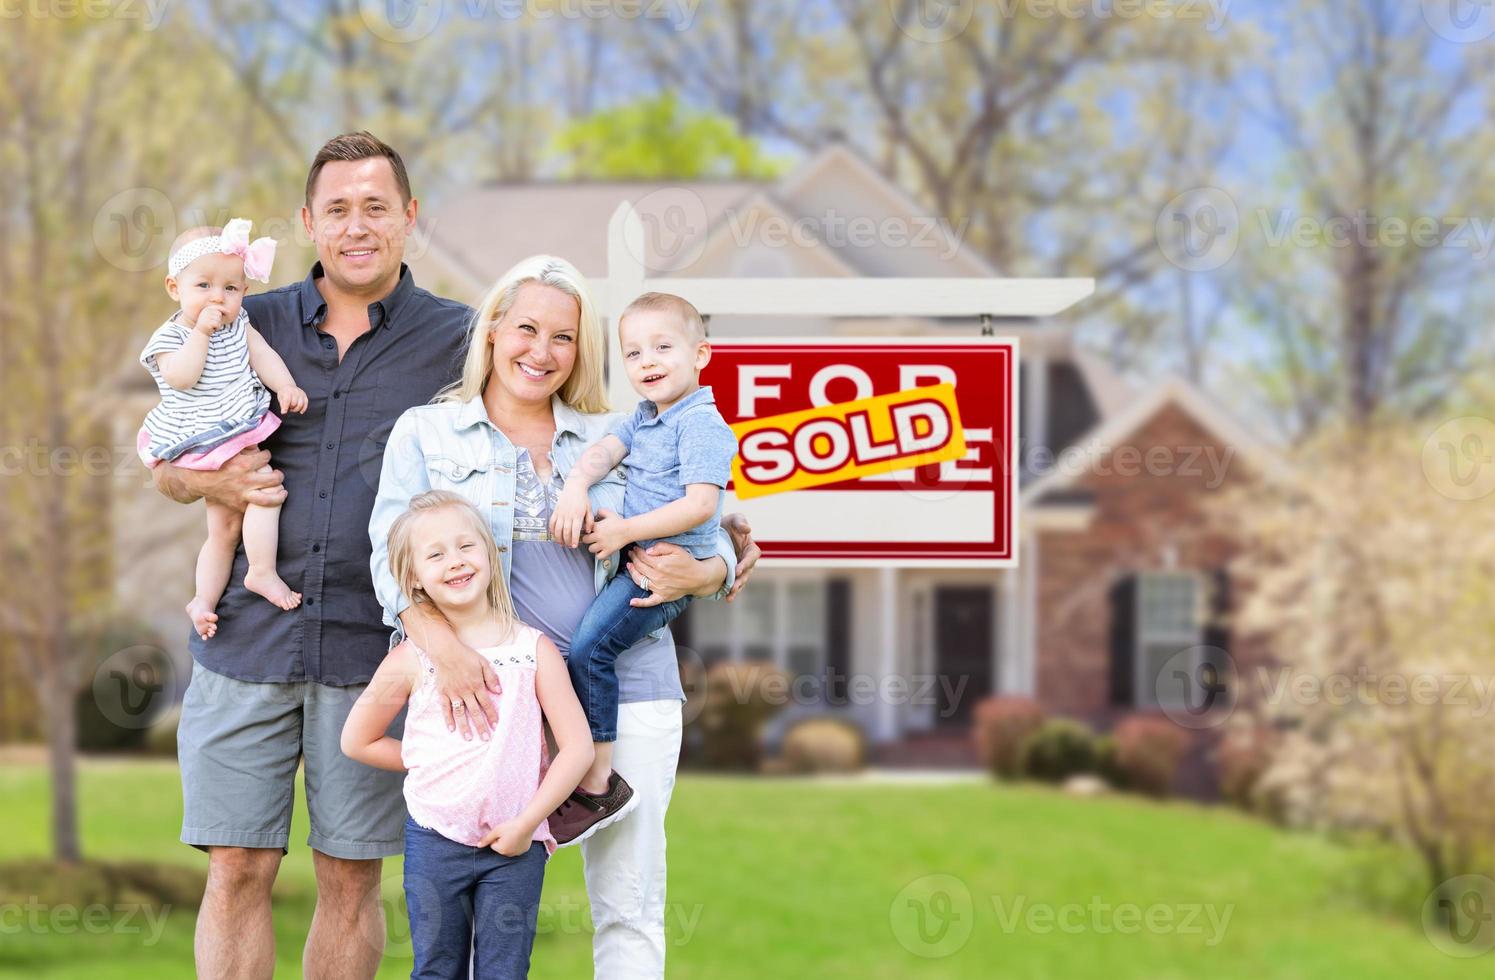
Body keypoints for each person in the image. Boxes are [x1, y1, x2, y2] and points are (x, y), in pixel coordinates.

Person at [369, 254, 761, 977]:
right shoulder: (427, 434)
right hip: (494, 701)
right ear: (491, 331)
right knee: (478, 910)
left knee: (628, 900)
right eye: (525, 329)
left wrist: (713, 570)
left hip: (629, 689)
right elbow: (388, 568)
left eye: (563, 337)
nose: (540, 352)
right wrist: (445, 654)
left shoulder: (621, 432)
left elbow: (714, 531)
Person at [150, 132, 473, 979]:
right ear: (307, 222)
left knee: (348, 874)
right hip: (245, 638)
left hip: (377, 650)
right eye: (337, 209)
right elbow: (167, 466)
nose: (355, 226)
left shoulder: (458, 341)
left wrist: (707, 526)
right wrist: (210, 489)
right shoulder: (241, 319)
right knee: (237, 867)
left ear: (408, 217)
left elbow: (540, 440)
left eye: (375, 206)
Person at [342, 490, 594, 979]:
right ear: (413, 577)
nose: (454, 562)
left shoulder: (533, 651)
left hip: (515, 844)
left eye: (466, 547)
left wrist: (528, 823)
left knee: (505, 971)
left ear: (490, 554)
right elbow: (357, 739)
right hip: (434, 838)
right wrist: (425, 761)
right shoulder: (411, 658)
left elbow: (578, 747)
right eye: (435, 554)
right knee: (437, 969)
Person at [548, 291, 737, 835]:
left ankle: (598, 786)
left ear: (701, 354)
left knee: (590, 650)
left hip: (666, 570)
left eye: (662, 347)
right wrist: (578, 484)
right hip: (639, 554)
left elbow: (702, 505)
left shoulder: (699, 424)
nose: (647, 362)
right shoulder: (648, 416)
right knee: (587, 646)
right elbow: (608, 448)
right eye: (633, 353)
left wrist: (625, 532)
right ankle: (592, 776)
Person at [138, 219, 308, 638]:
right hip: (201, 434)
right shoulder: (170, 337)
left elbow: (262, 354)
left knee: (226, 528)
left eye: (231, 288)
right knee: (264, 493)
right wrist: (200, 333)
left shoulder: (238, 325)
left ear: (243, 292)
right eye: (204, 286)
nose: (218, 297)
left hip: (232, 428)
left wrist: (284, 385)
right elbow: (181, 377)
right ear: (174, 288)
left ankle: (203, 601)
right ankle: (262, 572)